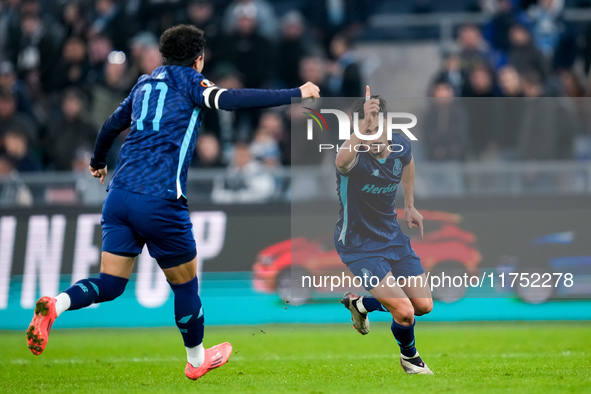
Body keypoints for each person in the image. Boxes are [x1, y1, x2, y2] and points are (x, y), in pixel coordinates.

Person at [26, 24, 320, 380]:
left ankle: (57, 304)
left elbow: (110, 126)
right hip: (160, 199)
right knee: (185, 284)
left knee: (111, 283)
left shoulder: (143, 84)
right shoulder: (192, 83)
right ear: (200, 59)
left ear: (163, 55)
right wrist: (296, 93)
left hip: (119, 196)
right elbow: (233, 100)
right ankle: (196, 360)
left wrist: (97, 162)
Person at [335, 86, 433, 375]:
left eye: (377, 129)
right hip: (358, 244)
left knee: (423, 305)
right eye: (366, 131)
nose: (372, 137)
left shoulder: (400, 145)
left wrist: (410, 205)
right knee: (404, 312)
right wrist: (363, 126)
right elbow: (341, 162)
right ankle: (410, 360)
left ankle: (361, 304)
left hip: (392, 236)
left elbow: (409, 163)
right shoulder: (352, 156)